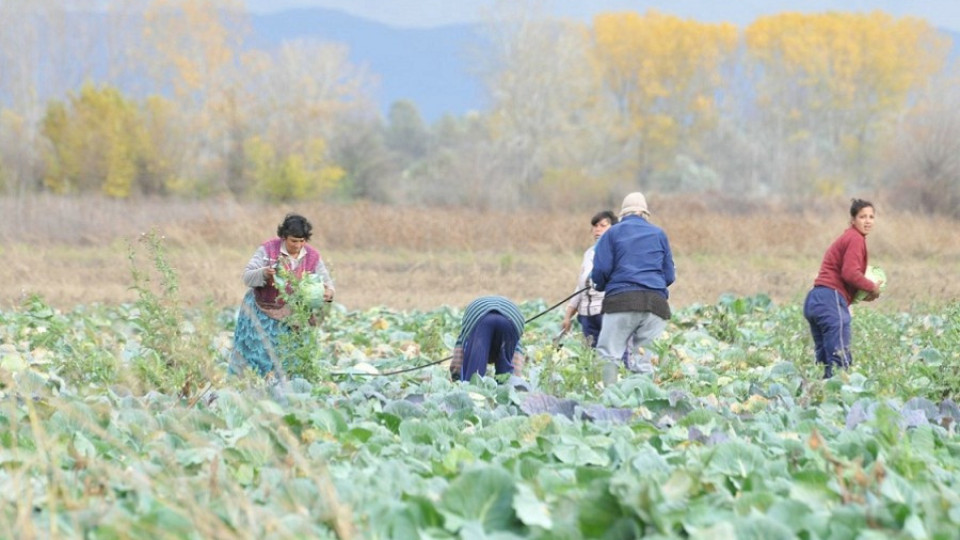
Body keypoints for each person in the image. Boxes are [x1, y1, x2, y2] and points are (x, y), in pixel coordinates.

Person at [231, 213, 335, 377]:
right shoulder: (267, 250)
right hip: (263, 312)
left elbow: (327, 281)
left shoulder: (312, 256)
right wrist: (264, 273)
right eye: (294, 241)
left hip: (295, 316)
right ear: (284, 237)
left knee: (290, 359)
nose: (298, 245)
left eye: (302, 241)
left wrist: (327, 292)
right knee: (260, 356)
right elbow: (247, 276)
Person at [591, 192, 676, 385]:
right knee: (646, 360)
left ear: (622, 214)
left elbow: (601, 270)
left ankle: (608, 401)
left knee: (608, 355)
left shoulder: (612, 233)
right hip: (656, 305)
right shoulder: (659, 234)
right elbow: (669, 275)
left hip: (622, 301)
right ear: (645, 214)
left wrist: (600, 284)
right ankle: (641, 404)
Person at [803, 198, 882, 379]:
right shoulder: (855, 238)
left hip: (816, 299)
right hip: (830, 299)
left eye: (871, 217)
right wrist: (872, 288)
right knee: (840, 360)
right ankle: (839, 400)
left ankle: (822, 399)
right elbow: (850, 273)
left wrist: (860, 295)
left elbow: (843, 277)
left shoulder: (847, 237)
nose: (868, 221)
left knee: (824, 361)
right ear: (853, 220)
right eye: (862, 217)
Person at [561, 210, 618, 346]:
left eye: (603, 226)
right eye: (595, 226)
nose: (597, 230)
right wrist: (568, 315)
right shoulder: (589, 253)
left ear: (613, 229)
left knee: (608, 352)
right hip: (586, 315)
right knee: (590, 355)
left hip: (606, 312)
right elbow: (581, 286)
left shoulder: (617, 252)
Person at [449, 295, 525, 382]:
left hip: (480, 318)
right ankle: (507, 389)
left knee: (474, 376)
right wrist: (516, 381)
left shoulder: (466, 332)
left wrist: (456, 378)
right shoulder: (516, 341)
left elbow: (458, 361)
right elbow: (516, 360)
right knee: (505, 375)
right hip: (512, 319)